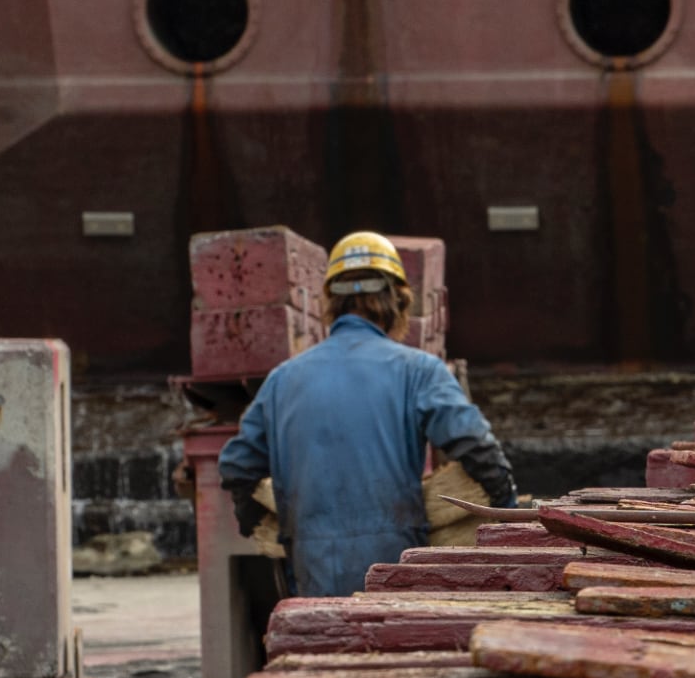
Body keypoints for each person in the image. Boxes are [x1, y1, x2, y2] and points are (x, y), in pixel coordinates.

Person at [218, 231, 518, 599]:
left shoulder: (283, 380)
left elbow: (236, 465)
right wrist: (507, 514)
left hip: (312, 568)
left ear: (329, 303)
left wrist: (259, 523)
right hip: (395, 569)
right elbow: (478, 449)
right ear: (398, 301)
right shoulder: (418, 370)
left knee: (319, 652)